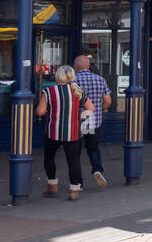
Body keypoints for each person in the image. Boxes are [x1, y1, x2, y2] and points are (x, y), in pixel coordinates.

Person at [37, 64, 94, 201]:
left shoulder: (49, 91)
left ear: (58, 77)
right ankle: (74, 190)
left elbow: (39, 111)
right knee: (73, 160)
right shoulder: (79, 91)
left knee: (49, 158)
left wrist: (48, 111)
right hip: (73, 132)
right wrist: (81, 115)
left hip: (53, 131)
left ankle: (52, 185)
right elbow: (91, 108)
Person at [72, 54, 111, 188]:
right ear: (88, 66)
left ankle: (77, 183)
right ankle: (97, 170)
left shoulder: (73, 81)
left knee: (75, 154)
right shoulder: (100, 79)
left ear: (76, 67)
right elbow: (107, 101)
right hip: (94, 122)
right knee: (93, 149)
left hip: (76, 123)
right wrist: (100, 110)